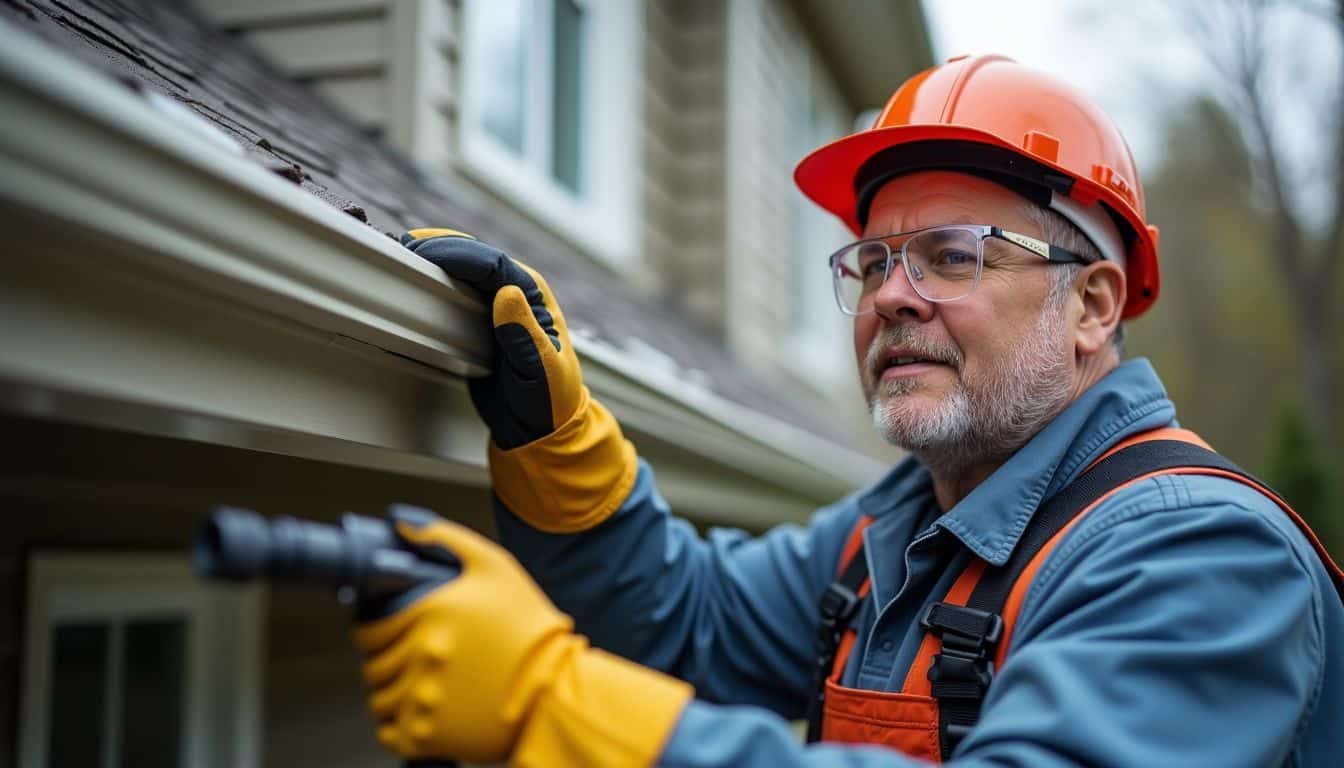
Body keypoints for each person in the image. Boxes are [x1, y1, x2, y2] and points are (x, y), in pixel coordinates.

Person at [352, 55, 1344, 767]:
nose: (890, 297)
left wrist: (554, 709)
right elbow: (691, 624)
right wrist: (562, 454)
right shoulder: (895, 532)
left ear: (1089, 306)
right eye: (872, 262)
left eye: (953, 254)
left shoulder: (1202, 555)